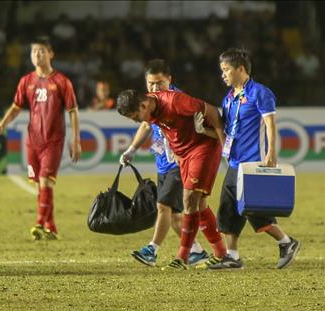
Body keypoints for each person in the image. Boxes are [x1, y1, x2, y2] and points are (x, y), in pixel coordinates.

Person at [195, 48, 300, 270]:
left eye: (226, 70)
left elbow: (270, 124)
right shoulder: (229, 97)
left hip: (254, 163)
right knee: (228, 209)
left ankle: (286, 242)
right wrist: (204, 132)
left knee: (255, 210)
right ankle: (232, 256)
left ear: (240, 69)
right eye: (221, 70)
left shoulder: (260, 93)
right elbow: (226, 133)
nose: (222, 75)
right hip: (234, 163)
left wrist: (272, 152)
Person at [116, 88, 227, 270]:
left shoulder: (175, 101)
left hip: (202, 147)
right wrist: (174, 150)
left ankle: (182, 257)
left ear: (144, 105)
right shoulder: (150, 110)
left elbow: (212, 111)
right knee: (200, 203)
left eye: (135, 116)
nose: (135, 120)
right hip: (183, 154)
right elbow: (164, 127)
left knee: (189, 198)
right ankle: (221, 253)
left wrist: (224, 143)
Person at [120, 59, 209, 266]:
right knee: (176, 215)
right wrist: (131, 150)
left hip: (179, 163)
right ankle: (197, 251)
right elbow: (146, 125)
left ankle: (152, 250)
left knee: (163, 206)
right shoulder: (148, 100)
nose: (154, 87)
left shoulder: (177, 101)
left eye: (159, 83)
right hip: (163, 162)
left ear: (169, 80)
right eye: (150, 83)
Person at [0, 36, 82, 240]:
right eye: (33, 51)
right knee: (39, 186)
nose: (37, 55)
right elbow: (16, 107)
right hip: (32, 140)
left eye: (41, 51)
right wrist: (1, 124)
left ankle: (39, 224)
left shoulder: (61, 81)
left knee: (45, 182)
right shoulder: (26, 81)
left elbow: (73, 111)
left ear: (51, 54)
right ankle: (51, 226)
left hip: (53, 140)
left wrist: (76, 140)